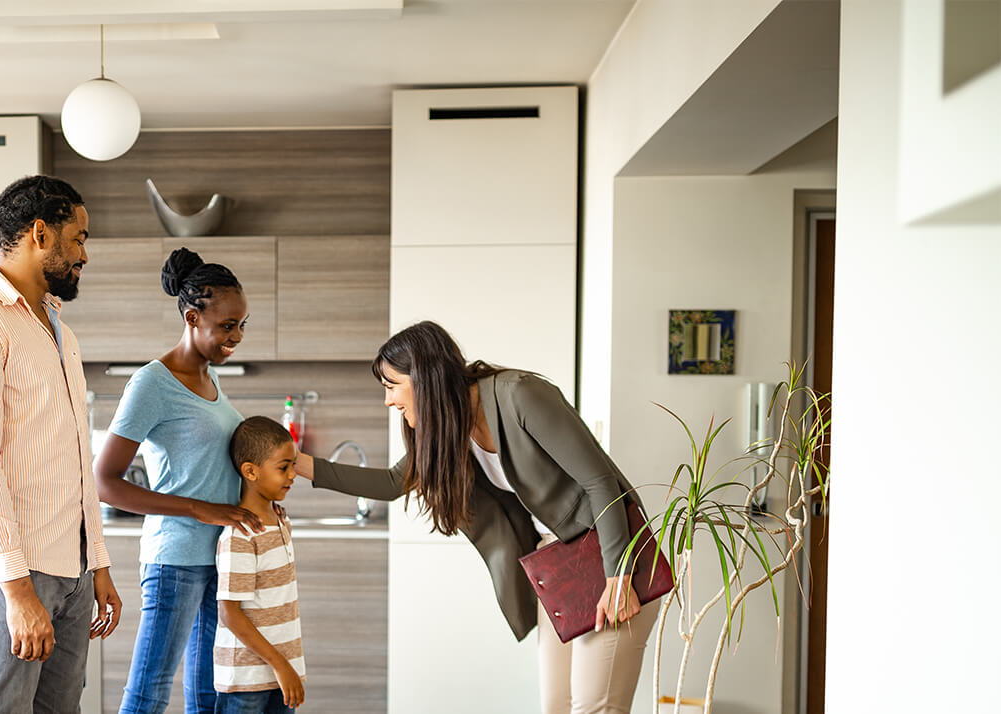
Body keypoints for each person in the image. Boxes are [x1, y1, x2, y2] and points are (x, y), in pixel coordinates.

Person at [292, 320, 656, 714]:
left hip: (612, 558)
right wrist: (297, 463)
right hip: (562, 565)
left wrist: (618, 575)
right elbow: (392, 483)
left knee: (596, 707)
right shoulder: (451, 426)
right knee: (558, 706)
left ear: (425, 377)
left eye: (391, 386)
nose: (388, 401)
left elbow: (601, 482)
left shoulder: (520, 395)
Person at [0, 174, 122, 714]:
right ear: (41, 233)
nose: (85, 253)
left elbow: (76, 458)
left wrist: (97, 563)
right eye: (79, 237)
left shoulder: (59, 328)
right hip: (6, 566)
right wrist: (16, 590)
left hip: (70, 564)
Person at [94, 247, 265, 714]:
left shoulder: (210, 379)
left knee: (208, 691)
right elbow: (104, 481)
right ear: (192, 317)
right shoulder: (153, 383)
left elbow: (210, 465)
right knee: (150, 689)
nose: (237, 337)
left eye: (242, 324)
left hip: (219, 555)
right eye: (226, 326)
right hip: (175, 558)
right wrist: (198, 508)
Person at [214, 416, 307, 714]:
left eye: (292, 465)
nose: (293, 474)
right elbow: (230, 614)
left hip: (282, 673)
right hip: (248, 679)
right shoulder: (240, 535)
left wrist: (285, 667)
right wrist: (280, 664)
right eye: (283, 467)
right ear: (251, 471)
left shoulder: (282, 520)